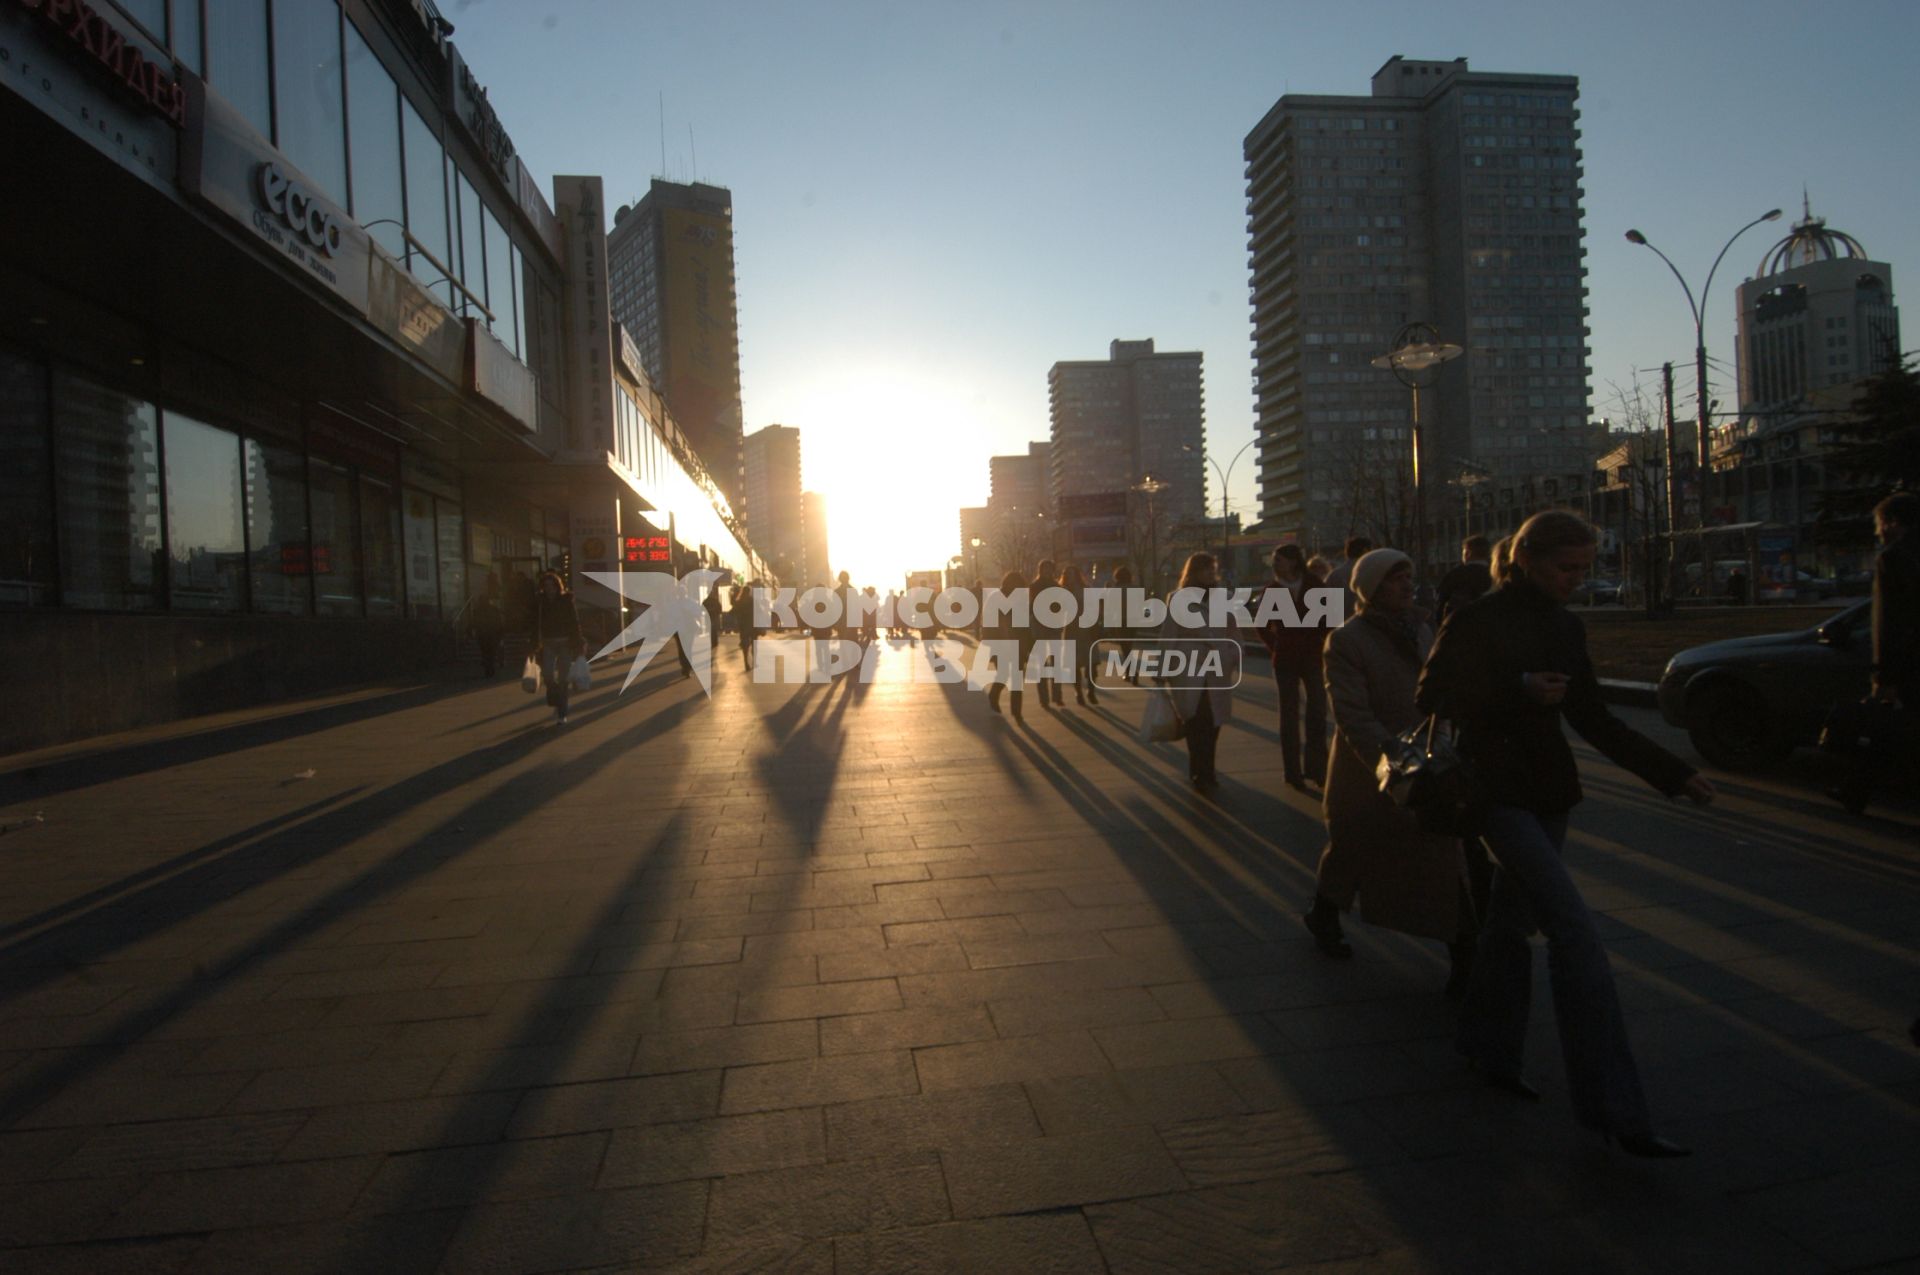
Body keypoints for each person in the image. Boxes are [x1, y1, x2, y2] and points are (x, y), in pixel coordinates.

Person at [1417, 510, 1715, 1158]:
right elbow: (1431, 693)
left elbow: (1593, 716)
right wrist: (1518, 687)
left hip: (1550, 794)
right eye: (1565, 567)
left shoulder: (1565, 624)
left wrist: (1671, 772)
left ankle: (1487, 1047)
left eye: (1584, 568)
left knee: (1506, 923)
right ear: (1525, 558)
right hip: (1493, 795)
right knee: (1574, 932)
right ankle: (1618, 1111)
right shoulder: (1476, 618)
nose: (1575, 580)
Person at [1303, 550, 1476, 992]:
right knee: (1351, 849)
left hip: (1426, 765)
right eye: (1395, 578)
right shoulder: (1347, 640)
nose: (1406, 586)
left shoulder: (1422, 629)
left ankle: (1465, 956)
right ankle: (1324, 915)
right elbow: (1351, 714)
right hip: (1367, 769)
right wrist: (1391, 761)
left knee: (1441, 856)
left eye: (1409, 577)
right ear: (1371, 587)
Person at [1830, 491, 1920, 814]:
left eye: (1880, 525)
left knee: (1888, 727)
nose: (1877, 532)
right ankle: (1855, 790)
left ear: (1894, 523)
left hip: (1910, 668)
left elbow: (1887, 623)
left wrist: (1882, 675)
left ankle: (1855, 790)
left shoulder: (1893, 559)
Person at [1160, 552, 1238, 789]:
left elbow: (1233, 630)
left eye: (1212, 568)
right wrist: (1162, 668)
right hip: (1189, 664)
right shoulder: (1177, 598)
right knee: (1195, 718)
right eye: (1205, 569)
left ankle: (1208, 768)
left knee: (1214, 720)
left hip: (1217, 664)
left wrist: (1234, 654)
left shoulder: (1221, 598)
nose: (1210, 573)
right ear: (1193, 572)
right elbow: (1168, 635)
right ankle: (1199, 770)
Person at [1258, 545, 1330, 789]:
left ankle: (1317, 768)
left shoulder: (1316, 586)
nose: (1274, 564)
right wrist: (1276, 645)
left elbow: (1330, 620)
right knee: (1288, 716)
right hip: (1286, 658)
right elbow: (1262, 625)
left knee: (1317, 712)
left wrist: (1322, 642)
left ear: (1293, 561)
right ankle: (1292, 772)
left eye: (1279, 560)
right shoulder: (1272, 590)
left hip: (1312, 656)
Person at [533, 570, 585, 725]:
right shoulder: (540, 602)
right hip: (548, 642)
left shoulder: (566, 600)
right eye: (546, 586)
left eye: (552, 585)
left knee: (563, 678)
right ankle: (556, 697)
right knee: (548, 675)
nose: (549, 588)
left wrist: (579, 641)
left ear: (557, 586)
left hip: (565, 642)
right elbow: (534, 622)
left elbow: (574, 621)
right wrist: (533, 641)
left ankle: (562, 712)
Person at [984, 569, 1034, 722]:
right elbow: (988, 624)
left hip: (1017, 644)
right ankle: (994, 695)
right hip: (1000, 644)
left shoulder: (1022, 599)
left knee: (1017, 680)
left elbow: (1026, 625)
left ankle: (1017, 712)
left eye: (1018, 583)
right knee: (1004, 675)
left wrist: (1030, 645)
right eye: (1013, 583)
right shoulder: (996, 598)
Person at [1436, 535, 1494, 628]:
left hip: (1460, 628)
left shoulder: (1455, 575)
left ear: (1468, 552)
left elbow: (1441, 602)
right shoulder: (1495, 574)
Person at [1061, 564, 1095, 706]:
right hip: (1071, 629)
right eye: (1068, 574)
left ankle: (1091, 690)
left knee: (1091, 663)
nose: (1071, 576)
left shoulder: (1086, 590)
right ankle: (1079, 692)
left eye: (1073, 573)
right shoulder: (1063, 592)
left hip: (1087, 629)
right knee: (1075, 664)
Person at [469, 574, 506, 678]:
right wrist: (501, 633)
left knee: (485, 651)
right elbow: (499, 622)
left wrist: (471, 630)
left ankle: (488, 665)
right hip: (492, 634)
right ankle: (490, 665)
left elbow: (474, 622)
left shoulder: (477, 610)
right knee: (491, 651)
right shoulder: (493, 610)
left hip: (483, 634)